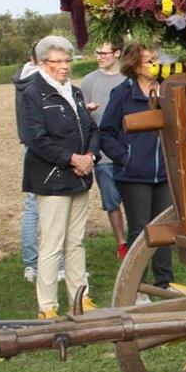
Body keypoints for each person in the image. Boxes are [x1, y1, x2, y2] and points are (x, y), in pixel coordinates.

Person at [21, 35, 99, 319]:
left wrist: (90, 157)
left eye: (68, 60)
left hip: (80, 178)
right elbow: (36, 138)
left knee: (75, 242)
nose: (65, 66)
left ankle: (80, 299)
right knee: (52, 244)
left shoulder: (74, 92)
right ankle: (47, 306)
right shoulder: (32, 94)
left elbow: (92, 129)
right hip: (52, 179)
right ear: (44, 63)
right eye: (58, 61)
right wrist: (71, 159)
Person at [99, 42, 173, 294]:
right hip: (134, 175)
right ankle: (137, 287)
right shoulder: (123, 93)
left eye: (156, 59)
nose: (155, 65)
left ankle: (165, 284)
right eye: (149, 61)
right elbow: (106, 132)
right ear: (134, 65)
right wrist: (126, 157)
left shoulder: (167, 91)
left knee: (165, 230)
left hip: (164, 174)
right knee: (140, 231)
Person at [79, 39, 128, 259]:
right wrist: (86, 111)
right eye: (97, 52)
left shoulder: (128, 79)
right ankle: (121, 244)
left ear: (117, 53)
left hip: (127, 152)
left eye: (104, 53)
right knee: (111, 202)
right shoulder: (89, 81)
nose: (99, 57)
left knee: (134, 199)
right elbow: (79, 116)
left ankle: (140, 241)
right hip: (102, 155)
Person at [12, 46, 41, 282]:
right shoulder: (39, 81)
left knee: (32, 206)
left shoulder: (22, 79)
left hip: (28, 145)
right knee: (49, 205)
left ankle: (30, 264)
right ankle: (58, 265)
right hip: (42, 146)